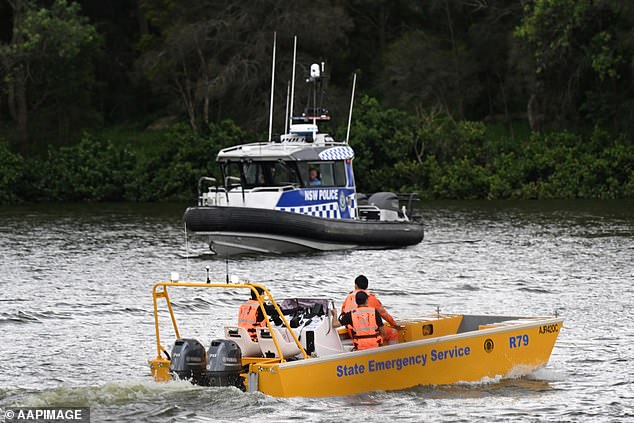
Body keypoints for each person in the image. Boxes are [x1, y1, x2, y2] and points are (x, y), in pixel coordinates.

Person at [340, 274, 401, 344]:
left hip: (352, 332)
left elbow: (343, 315)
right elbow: (384, 314)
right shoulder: (371, 298)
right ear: (367, 286)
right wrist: (394, 324)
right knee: (393, 332)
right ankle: (390, 354)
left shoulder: (348, 298)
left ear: (356, 285)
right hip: (367, 334)